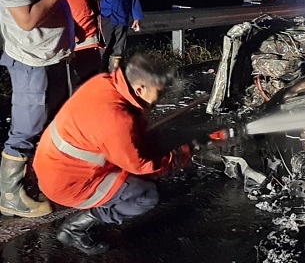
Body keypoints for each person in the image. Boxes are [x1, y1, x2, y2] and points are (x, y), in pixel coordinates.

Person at [33, 54, 193, 255]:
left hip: (53, 163)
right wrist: (179, 156)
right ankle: (75, 228)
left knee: (145, 150)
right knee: (145, 195)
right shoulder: (117, 120)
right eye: (159, 93)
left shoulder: (104, 82)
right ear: (140, 88)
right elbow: (141, 165)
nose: (160, 100)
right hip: (68, 183)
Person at [0, 0, 78, 218]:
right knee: (26, 129)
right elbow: (27, 19)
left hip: (51, 57)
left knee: (50, 120)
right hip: (32, 61)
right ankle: (9, 195)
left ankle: (43, 175)